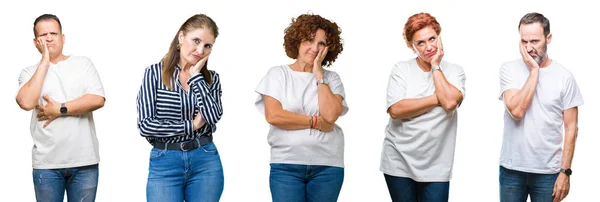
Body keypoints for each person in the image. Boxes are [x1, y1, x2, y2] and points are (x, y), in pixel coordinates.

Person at [254, 13, 348, 202]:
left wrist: (319, 75)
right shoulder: (277, 74)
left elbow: (330, 116)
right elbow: (274, 116)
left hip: (327, 166)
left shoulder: (332, 78)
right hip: (286, 165)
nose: (315, 48)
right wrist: (315, 122)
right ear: (297, 41)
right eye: (309, 40)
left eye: (321, 43)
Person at [16, 14, 106, 202]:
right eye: (43, 35)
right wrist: (45, 62)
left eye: (53, 33)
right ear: (35, 42)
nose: (49, 38)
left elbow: (97, 99)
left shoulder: (83, 64)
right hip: (46, 165)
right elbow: (25, 102)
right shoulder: (29, 72)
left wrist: (60, 109)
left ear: (62, 38)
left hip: (84, 162)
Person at [136, 14, 224, 202]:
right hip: (165, 161)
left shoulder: (212, 79)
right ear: (181, 37)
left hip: (205, 160)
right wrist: (191, 125)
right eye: (196, 41)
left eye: (207, 45)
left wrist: (195, 77)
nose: (200, 50)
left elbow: (213, 116)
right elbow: (146, 125)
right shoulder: (154, 74)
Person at [380, 12, 466, 202]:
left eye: (432, 39)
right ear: (412, 47)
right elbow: (396, 110)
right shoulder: (401, 70)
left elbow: (451, 102)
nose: (429, 47)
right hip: (399, 160)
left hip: (437, 165)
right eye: (420, 43)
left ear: (439, 37)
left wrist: (436, 66)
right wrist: (438, 98)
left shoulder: (454, 71)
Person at [498, 12, 583, 202]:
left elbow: (571, 129)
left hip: (549, 173)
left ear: (548, 38)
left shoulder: (564, 77)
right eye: (524, 42)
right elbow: (517, 111)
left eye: (535, 41)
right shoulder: (508, 69)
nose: (529, 48)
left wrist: (565, 172)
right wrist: (535, 71)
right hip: (512, 170)